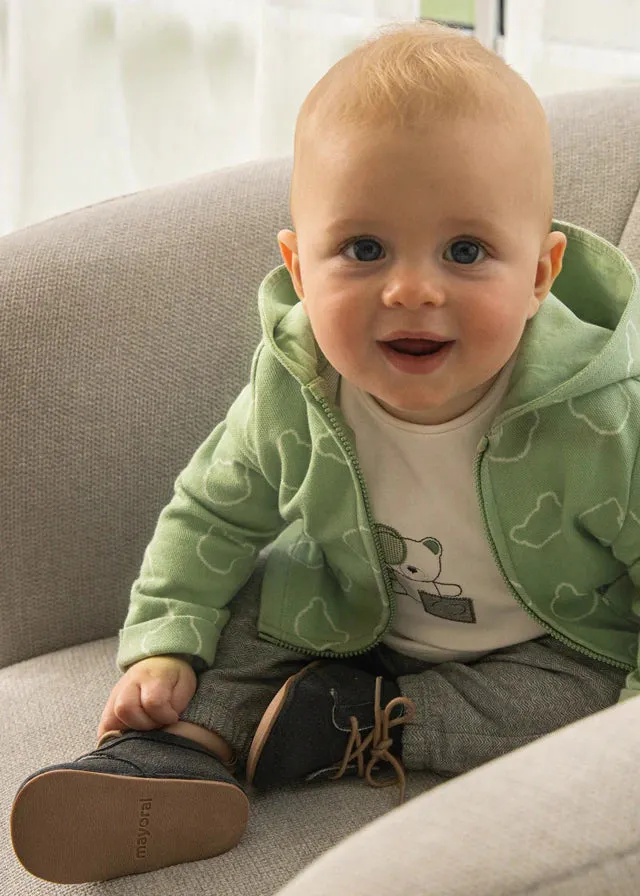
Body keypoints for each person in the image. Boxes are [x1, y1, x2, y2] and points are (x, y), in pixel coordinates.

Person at [11, 19, 640, 885]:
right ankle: (178, 749)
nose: (412, 288)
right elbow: (214, 511)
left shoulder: (602, 415)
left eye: (466, 251)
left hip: (543, 639)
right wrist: (165, 643)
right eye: (364, 249)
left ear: (539, 272)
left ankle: (367, 722)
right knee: (248, 612)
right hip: (353, 608)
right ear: (300, 269)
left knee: (577, 706)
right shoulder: (298, 384)